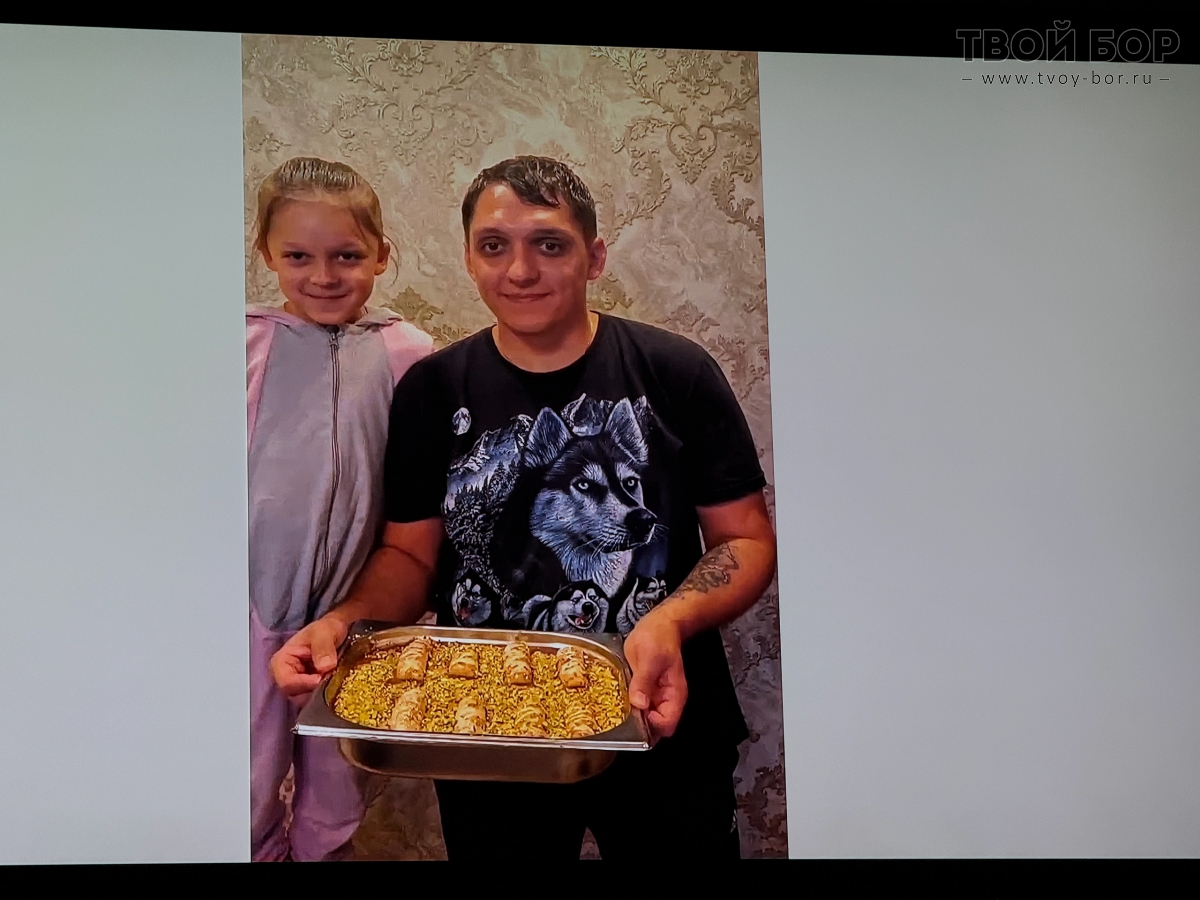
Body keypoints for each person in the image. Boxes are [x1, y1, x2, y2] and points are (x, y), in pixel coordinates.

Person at [270, 156, 777, 860]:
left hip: (661, 713)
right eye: (493, 246)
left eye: (549, 244)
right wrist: (342, 624)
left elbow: (744, 541)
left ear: (594, 256)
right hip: (486, 732)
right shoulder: (432, 389)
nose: (520, 271)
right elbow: (410, 555)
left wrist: (669, 620)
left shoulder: (674, 371)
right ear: (469, 260)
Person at [247, 157, 434, 862]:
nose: (324, 275)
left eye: (347, 256)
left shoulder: (411, 355)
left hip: (354, 616)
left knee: (338, 788)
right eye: (299, 256)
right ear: (267, 253)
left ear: (381, 255)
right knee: (246, 783)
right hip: (248, 611)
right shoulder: (240, 344)